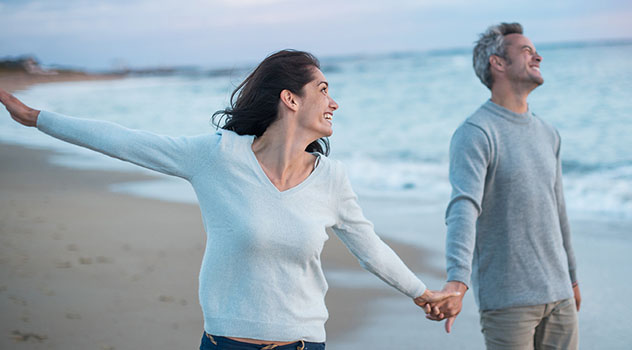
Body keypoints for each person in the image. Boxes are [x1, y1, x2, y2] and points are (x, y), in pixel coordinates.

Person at [0, 50, 457, 350]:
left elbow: (370, 247)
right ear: (289, 99)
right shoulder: (215, 156)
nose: (334, 102)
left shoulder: (332, 179)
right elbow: (126, 140)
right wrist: (36, 117)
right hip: (226, 343)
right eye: (323, 90)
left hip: (304, 344)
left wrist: (423, 294)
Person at [425, 23, 581, 349]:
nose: (537, 56)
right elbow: (463, 208)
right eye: (525, 51)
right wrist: (457, 281)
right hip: (509, 301)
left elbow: (559, 210)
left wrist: (572, 276)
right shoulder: (476, 132)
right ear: (498, 63)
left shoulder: (549, 133)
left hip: (560, 296)